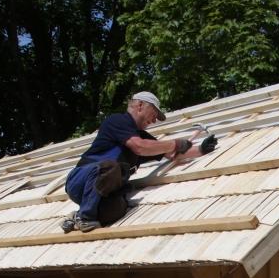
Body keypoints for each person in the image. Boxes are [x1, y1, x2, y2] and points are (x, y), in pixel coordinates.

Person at [62, 91, 218, 233]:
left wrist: (201, 149)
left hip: (103, 191)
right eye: (155, 113)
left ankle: (76, 216)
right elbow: (139, 147)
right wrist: (175, 143)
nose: (155, 120)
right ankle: (86, 217)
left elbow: (172, 154)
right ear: (140, 105)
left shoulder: (143, 138)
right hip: (81, 180)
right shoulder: (117, 120)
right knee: (110, 167)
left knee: (119, 208)